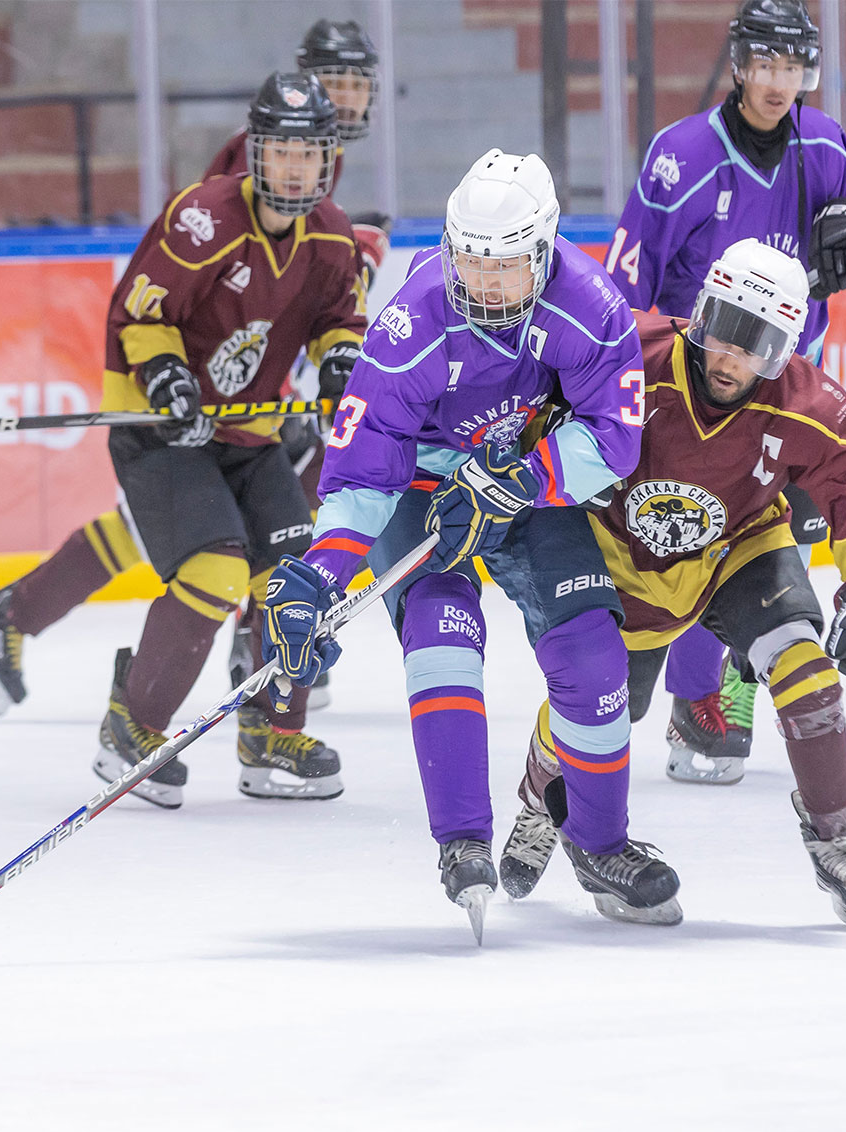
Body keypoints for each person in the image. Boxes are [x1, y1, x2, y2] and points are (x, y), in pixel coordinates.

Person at [260, 148, 683, 940]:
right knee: (442, 639)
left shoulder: (591, 306)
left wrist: (524, 478)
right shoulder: (411, 323)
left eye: (506, 266)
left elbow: (615, 438)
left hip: (529, 478)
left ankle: (601, 844)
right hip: (425, 489)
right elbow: (363, 470)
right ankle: (462, 838)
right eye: (471, 261)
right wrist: (321, 575)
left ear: (545, 252)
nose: (484, 284)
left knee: (593, 652)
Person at [0, 72, 366, 809]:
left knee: (294, 577)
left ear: (327, 158)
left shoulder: (331, 236)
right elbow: (143, 314)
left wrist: (338, 366)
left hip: (251, 430)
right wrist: (168, 382)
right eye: (281, 151)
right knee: (216, 571)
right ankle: (131, 728)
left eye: (308, 154)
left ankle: (272, 733)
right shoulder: (204, 219)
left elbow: (341, 320)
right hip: (159, 426)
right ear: (256, 152)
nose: (296, 168)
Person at [501, 238, 846, 928]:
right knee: (600, 706)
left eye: (757, 346)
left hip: (738, 549)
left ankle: (835, 838)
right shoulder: (631, 353)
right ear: (702, 311)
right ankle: (540, 800)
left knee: (806, 668)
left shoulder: (804, 400)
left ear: (784, 351)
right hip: (626, 558)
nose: (730, 359)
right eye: (724, 330)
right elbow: (529, 389)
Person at [607, 0, 846, 784]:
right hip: (694, 385)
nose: (777, 82)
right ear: (738, 65)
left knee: (780, 532)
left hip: (780, 382)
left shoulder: (825, 144)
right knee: (697, 531)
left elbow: (838, 252)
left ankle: (721, 689)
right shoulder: (681, 155)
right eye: (764, 64)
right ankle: (695, 701)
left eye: (792, 66)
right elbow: (625, 286)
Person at [206, 18, 391, 709]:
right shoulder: (263, 147)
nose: (345, 97)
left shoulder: (324, 154)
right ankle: (252, 647)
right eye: (332, 81)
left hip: (264, 353)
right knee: (272, 503)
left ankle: (258, 642)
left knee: (293, 496)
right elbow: (236, 256)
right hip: (232, 358)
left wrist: (351, 250)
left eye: (355, 84)